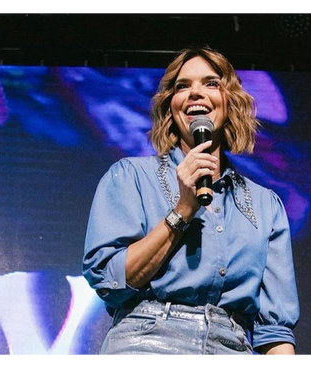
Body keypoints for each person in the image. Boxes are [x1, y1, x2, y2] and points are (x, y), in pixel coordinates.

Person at [82, 46, 299, 358]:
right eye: (183, 86)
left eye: (211, 83)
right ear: (172, 107)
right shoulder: (130, 176)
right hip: (147, 341)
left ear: (230, 102)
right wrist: (184, 208)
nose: (195, 93)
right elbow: (110, 281)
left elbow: (275, 331)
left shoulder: (266, 206)